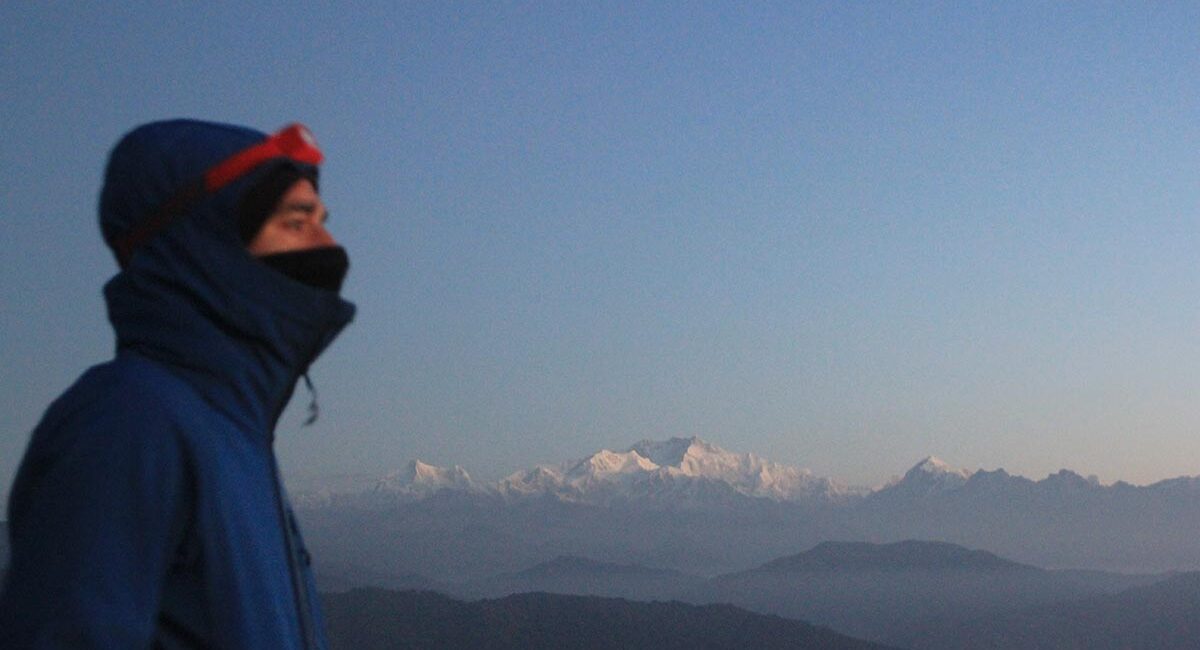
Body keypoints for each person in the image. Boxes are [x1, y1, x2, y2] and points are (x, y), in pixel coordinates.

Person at [0, 119, 355, 648]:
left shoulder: (232, 439)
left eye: (324, 220)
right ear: (209, 244)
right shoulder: (128, 422)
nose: (329, 244)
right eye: (297, 221)